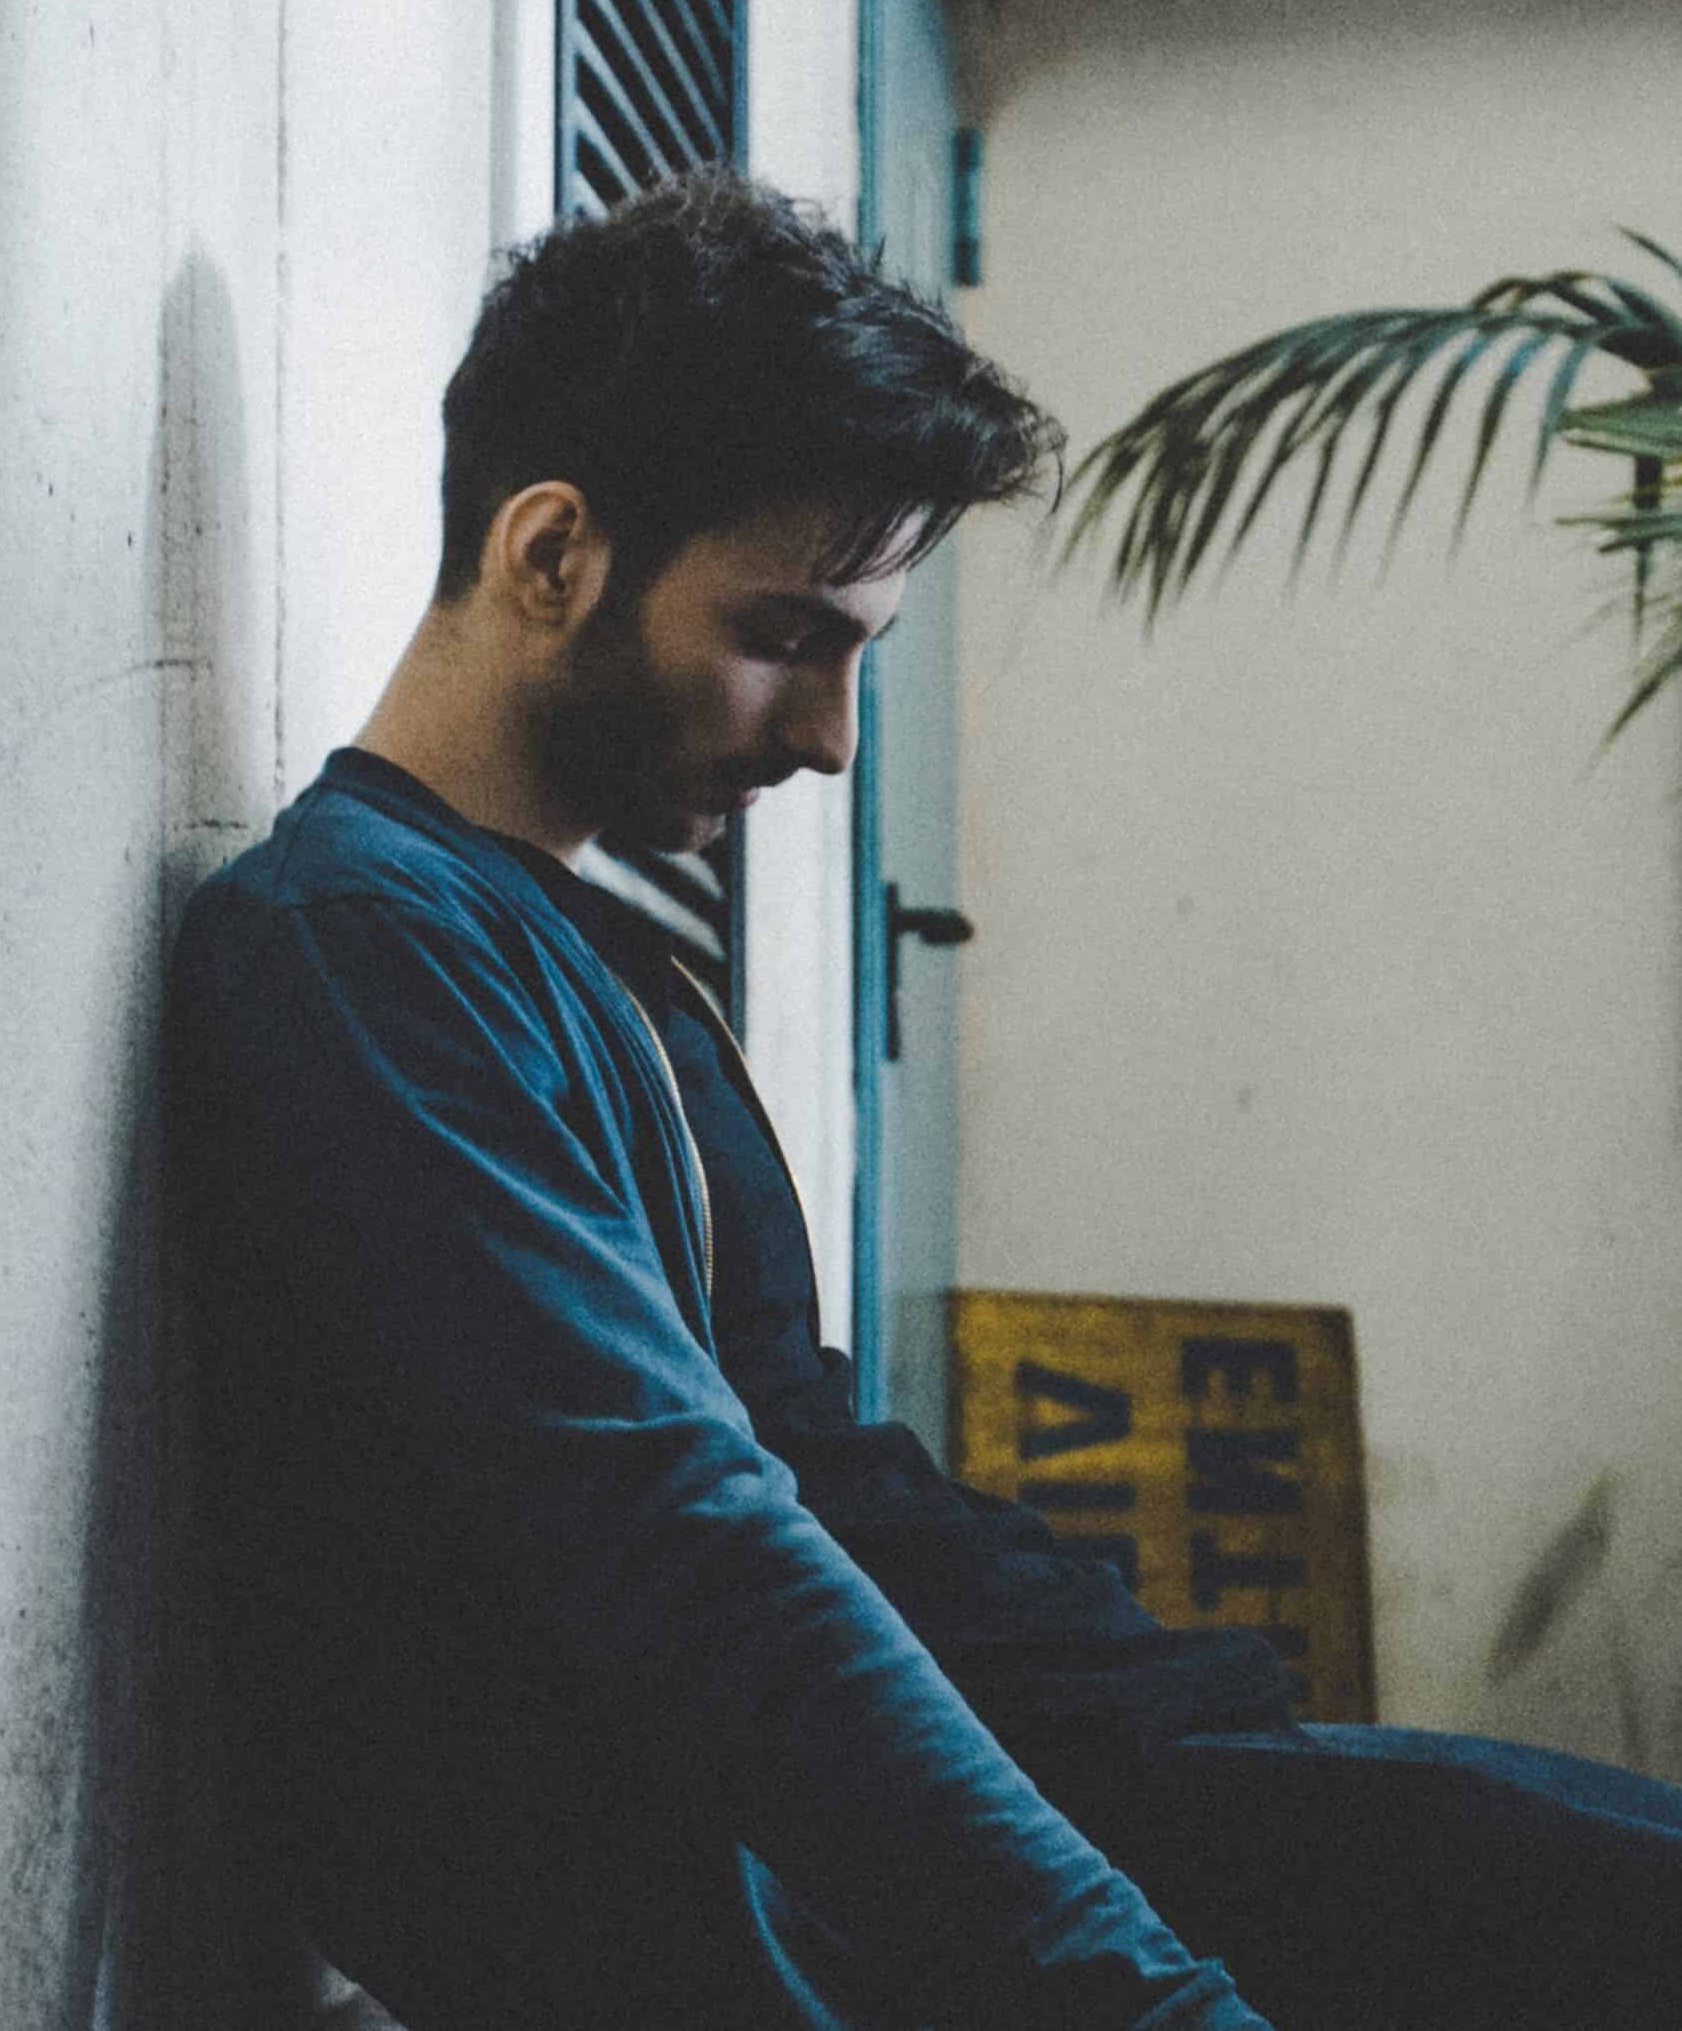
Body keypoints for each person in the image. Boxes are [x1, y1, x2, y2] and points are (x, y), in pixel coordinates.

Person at [163, 168, 1682, 2030]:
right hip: (802, 1932)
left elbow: (812, 1473)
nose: (828, 738)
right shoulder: (353, 944)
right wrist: (1147, 2000)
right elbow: (689, 1551)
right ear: (550, 555)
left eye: (857, 652)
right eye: (788, 634)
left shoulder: (576, 947)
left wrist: (1224, 1737)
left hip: (1019, 1822)